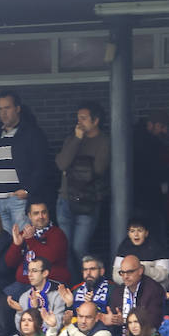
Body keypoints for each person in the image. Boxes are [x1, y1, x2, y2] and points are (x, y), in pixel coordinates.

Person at [0, 91, 52, 233]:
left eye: (7, 108)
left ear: (17, 108)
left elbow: (42, 165)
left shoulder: (31, 132)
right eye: (0, 109)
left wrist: (28, 189)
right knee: (4, 242)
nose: (3, 113)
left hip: (18, 199)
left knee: (24, 238)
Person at [56, 102, 111, 280]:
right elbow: (62, 164)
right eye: (78, 118)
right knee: (65, 247)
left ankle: (89, 283)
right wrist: (77, 140)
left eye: (83, 118)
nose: (79, 122)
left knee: (79, 247)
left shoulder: (104, 141)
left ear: (95, 121)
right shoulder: (72, 138)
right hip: (65, 199)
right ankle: (75, 286)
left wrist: (73, 170)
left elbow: (97, 170)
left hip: (88, 201)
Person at [4, 200, 71, 296]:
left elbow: (49, 258)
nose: (40, 216)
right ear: (29, 216)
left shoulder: (57, 233)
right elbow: (10, 263)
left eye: (43, 212)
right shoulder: (25, 233)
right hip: (24, 284)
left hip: (50, 282)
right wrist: (16, 245)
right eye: (36, 213)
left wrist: (31, 240)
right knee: (3, 299)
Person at [133, 111, 169, 243]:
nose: (164, 131)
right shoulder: (149, 145)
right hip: (147, 199)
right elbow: (159, 170)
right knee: (155, 238)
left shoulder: (141, 140)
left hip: (146, 199)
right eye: (162, 126)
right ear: (150, 125)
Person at [105, 256, 164, 331]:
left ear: (140, 271)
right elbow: (114, 321)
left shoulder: (153, 290)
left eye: (129, 272)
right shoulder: (118, 292)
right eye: (122, 272)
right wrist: (112, 320)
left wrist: (124, 321)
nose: (125, 277)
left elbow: (153, 322)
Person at [112, 219, 169, 287]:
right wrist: (135, 278)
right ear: (128, 234)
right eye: (132, 231)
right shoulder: (124, 247)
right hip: (130, 290)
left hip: (154, 290)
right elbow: (116, 275)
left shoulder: (158, 248)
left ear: (146, 233)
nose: (136, 234)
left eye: (140, 231)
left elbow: (163, 275)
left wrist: (143, 269)